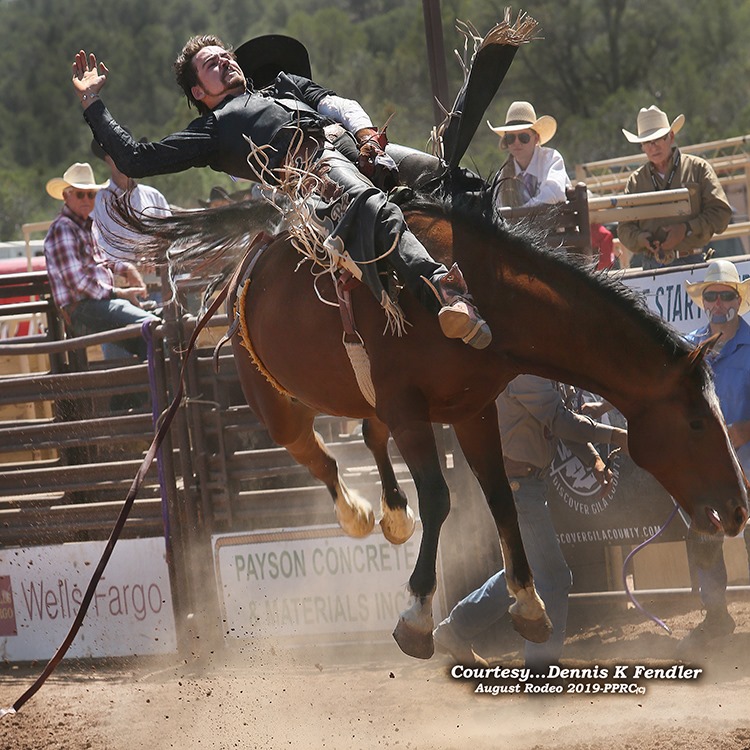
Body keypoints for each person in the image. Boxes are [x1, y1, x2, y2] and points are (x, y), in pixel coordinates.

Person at [70, 35, 491, 349]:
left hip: (350, 143)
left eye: (225, 55)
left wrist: (366, 137)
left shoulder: (282, 85)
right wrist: (93, 105)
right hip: (311, 174)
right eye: (211, 64)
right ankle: (442, 291)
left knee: (448, 176)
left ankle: (498, 259)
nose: (224, 61)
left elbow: (335, 104)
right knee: (371, 207)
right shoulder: (213, 130)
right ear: (199, 92)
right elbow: (136, 158)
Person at [432, 375, 628, 669]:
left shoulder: (533, 367)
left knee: (523, 573)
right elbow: (559, 421)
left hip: (522, 485)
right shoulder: (526, 372)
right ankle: (540, 670)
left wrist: (594, 460)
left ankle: (454, 629)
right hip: (519, 487)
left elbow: (558, 421)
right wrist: (616, 436)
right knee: (554, 577)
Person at [679, 259, 750, 649]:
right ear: (704, 302)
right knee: (704, 538)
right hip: (709, 471)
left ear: (738, 300)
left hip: (749, 464)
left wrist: (745, 430)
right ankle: (716, 614)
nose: (719, 302)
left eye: (727, 295)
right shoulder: (691, 347)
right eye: (712, 295)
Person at [43, 162, 159, 361]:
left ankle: (144, 390)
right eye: (80, 194)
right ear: (66, 196)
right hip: (82, 308)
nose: (86, 199)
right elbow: (78, 282)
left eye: (91, 194)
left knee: (152, 331)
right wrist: (118, 292)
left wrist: (126, 268)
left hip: (97, 303)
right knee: (153, 326)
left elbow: (102, 260)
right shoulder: (64, 228)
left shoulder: (84, 226)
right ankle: (167, 387)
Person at [617, 106, 732, 269]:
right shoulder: (636, 181)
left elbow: (721, 214)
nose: (653, 146)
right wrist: (641, 239)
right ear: (642, 146)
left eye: (658, 139)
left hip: (692, 261)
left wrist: (687, 229)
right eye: (647, 142)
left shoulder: (698, 168)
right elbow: (624, 228)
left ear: (670, 137)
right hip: (652, 264)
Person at [91, 135, 171, 359]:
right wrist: (127, 264)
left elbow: (170, 238)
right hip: (119, 291)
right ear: (108, 159)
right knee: (121, 359)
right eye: (119, 153)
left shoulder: (153, 196)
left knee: (164, 352)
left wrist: (154, 253)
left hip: (156, 287)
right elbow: (95, 248)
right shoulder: (98, 202)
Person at [487, 101, 571, 209]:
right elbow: (497, 207)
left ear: (536, 138)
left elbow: (555, 192)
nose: (516, 142)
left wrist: (521, 213)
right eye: (511, 138)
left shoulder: (551, 159)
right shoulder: (503, 174)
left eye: (523, 137)